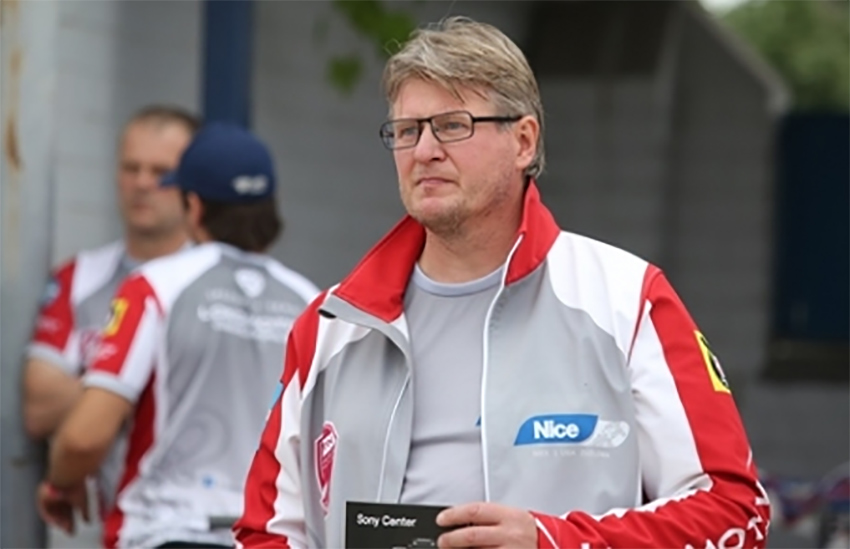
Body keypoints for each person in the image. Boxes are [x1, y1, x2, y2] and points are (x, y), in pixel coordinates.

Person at [233, 16, 772, 549]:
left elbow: (735, 512)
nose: (424, 151)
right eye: (407, 131)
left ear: (523, 141)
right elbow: (265, 533)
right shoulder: (330, 326)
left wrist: (553, 542)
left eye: (452, 125)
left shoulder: (627, 300)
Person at [37, 123, 321, 549]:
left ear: (194, 205)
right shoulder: (313, 303)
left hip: (166, 530)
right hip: (271, 537)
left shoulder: (153, 286)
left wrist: (60, 482)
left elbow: (84, 437)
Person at [23, 105, 200, 440]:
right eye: (131, 168)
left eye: (161, 172)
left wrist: (98, 386)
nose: (142, 183)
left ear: (194, 184)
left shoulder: (212, 282)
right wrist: (149, 384)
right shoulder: (78, 276)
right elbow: (41, 408)